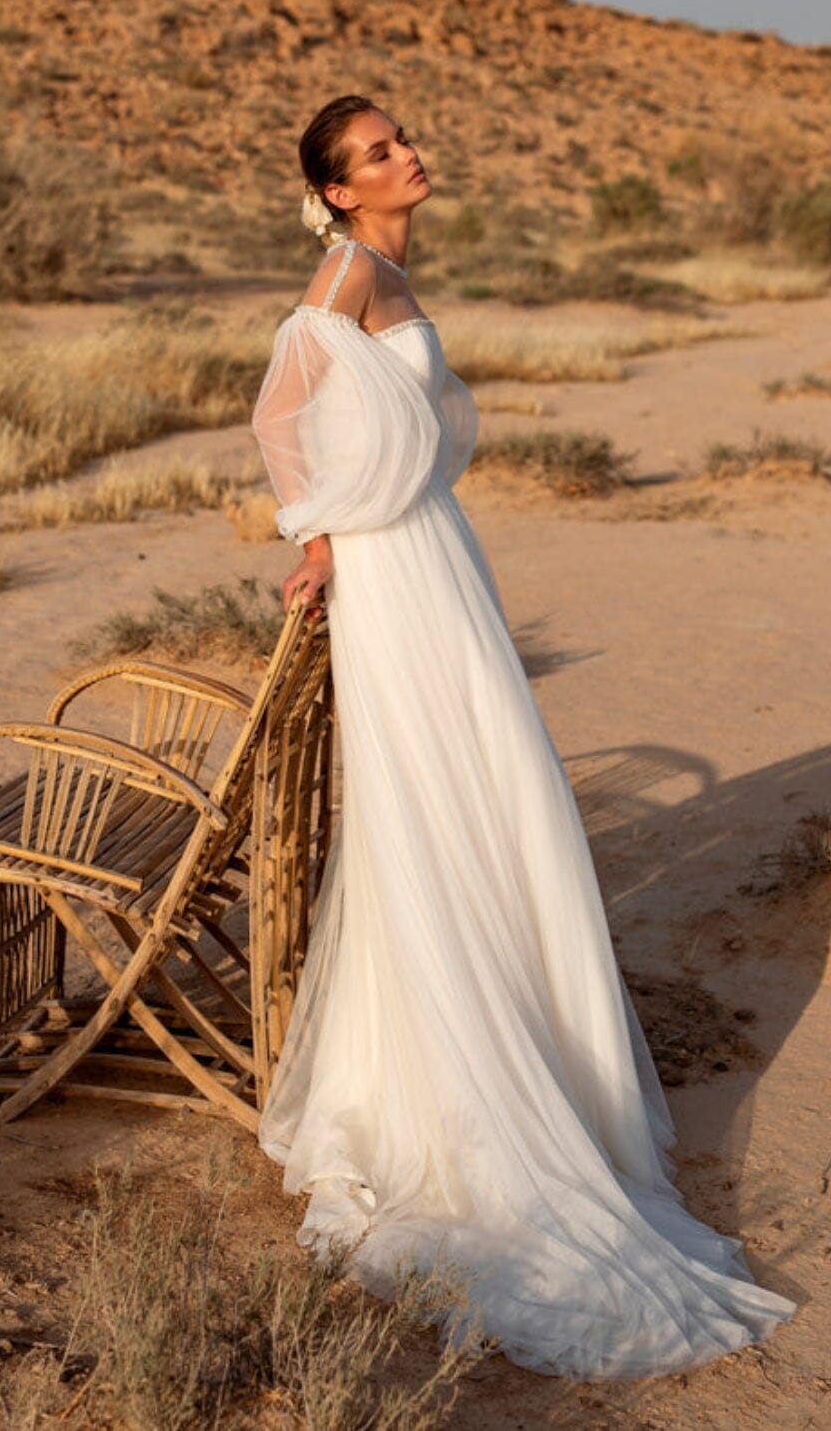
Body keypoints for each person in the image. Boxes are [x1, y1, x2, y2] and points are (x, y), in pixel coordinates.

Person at [250, 94, 795, 1379]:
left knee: (485, 800)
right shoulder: (342, 274)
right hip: (398, 572)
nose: (408, 155)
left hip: (429, 560)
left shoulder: (383, 265)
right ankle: (463, 1094)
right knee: (447, 809)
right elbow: (282, 411)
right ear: (336, 191)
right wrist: (322, 535)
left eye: (401, 140)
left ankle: (515, 1051)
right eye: (378, 153)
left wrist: (353, 516)